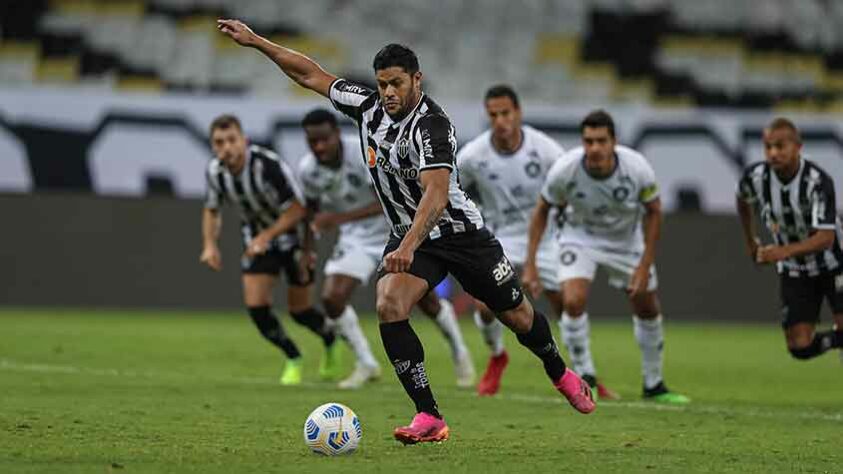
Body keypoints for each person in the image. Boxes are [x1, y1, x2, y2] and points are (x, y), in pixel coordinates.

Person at [217, 19, 596, 444]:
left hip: (458, 233)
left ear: (417, 79)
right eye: (382, 84)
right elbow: (310, 74)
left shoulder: (434, 125)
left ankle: (559, 371)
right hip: (410, 234)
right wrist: (256, 43)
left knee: (519, 316)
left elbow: (435, 195)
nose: (389, 93)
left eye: (397, 83)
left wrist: (408, 246)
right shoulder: (366, 107)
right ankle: (428, 415)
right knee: (389, 304)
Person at [458, 85, 618, 399]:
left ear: (518, 113)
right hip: (500, 237)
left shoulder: (545, 150)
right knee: (484, 305)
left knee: (567, 304)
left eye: (506, 113)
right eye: (493, 115)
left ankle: (587, 375)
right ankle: (496, 356)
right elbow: (450, 191)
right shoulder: (472, 157)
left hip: (546, 239)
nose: (501, 121)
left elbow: (568, 189)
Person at [297, 107, 475, 389]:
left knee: (425, 302)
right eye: (312, 142)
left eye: (324, 139)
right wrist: (308, 249)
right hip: (355, 238)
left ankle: (458, 350)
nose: (319, 147)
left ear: (336, 135)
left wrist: (339, 218)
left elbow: (384, 199)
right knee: (332, 298)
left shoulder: (364, 153)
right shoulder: (308, 170)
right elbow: (310, 210)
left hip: (396, 231)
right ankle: (366, 363)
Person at [524, 109, 689, 405]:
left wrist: (644, 265)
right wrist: (532, 264)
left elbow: (654, 212)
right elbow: (541, 210)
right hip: (580, 237)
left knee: (647, 306)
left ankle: (654, 384)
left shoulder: (637, 168)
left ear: (614, 142)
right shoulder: (565, 169)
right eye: (588, 141)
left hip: (626, 241)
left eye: (601, 141)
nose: (594, 148)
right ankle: (587, 378)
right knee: (573, 300)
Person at [200, 114, 339, 386]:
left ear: (244, 141)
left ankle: (331, 339)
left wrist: (267, 235)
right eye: (219, 142)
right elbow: (211, 209)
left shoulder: (267, 165)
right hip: (258, 241)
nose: (226, 147)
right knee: (257, 307)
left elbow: (298, 209)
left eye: (231, 140)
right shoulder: (215, 172)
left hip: (296, 238)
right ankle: (293, 357)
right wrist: (209, 244)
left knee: (300, 311)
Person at [737, 117, 843, 361]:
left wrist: (783, 252)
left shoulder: (817, 182)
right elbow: (742, 199)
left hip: (835, 262)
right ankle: (838, 340)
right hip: (795, 269)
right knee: (799, 347)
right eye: (768, 147)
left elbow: (825, 238)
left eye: (780, 146)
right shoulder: (756, 177)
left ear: (798, 147)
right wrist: (751, 240)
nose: (773, 153)